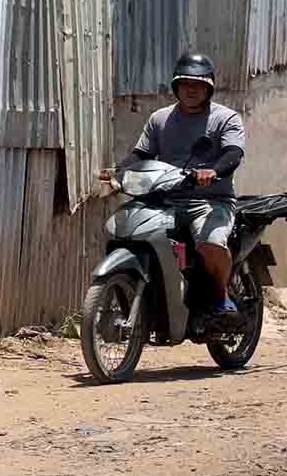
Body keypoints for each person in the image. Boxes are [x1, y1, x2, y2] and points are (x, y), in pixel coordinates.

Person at [100, 52, 246, 317]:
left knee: (210, 243)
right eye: (185, 83)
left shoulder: (226, 118)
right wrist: (119, 170)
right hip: (164, 199)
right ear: (176, 87)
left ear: (209, 87)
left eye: (198, 84)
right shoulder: (160, 119)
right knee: (127, 231)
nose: (191, 89)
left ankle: (222, 296)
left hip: (209, 201)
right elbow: (142, 154)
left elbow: (233, 153)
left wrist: (212, 171)